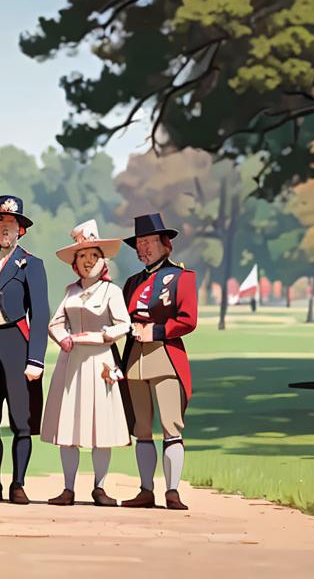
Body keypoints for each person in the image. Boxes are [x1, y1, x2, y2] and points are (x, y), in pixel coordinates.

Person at [41, 220, 132, 506]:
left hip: (100, 362)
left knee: (100, 427)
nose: (88, 261)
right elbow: (55, 322)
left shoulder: (112, 292)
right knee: (69, 426)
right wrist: (62, 338)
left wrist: (102, 335)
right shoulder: (71, 292)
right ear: (75, 262)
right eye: (82, 256)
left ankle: (100, 487)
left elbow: (124, 324)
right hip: (72, 363)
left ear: (102, 259)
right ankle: (68, 488)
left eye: (93, 255)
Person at [0, 195, 50, 505]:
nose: (5, 227)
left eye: (11, 222)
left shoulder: (32, 264)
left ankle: (18, 484)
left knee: (20, 418)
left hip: (17, 342)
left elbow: (40, 313)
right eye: (0, 221)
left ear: (21, 229)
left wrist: (36, 358)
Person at [119, 213, 197, 511]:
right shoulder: (131, 282)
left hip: (165, 356)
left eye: (149, 241)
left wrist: (157, 330)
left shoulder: (182, 277)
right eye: (139, 243)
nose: (143, 248)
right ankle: (145, 489)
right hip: (135, 359)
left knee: (170, 426)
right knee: (141, 428)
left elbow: (188, 319)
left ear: (165, 244)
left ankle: (173, 491)